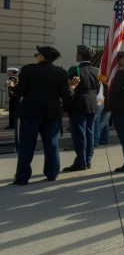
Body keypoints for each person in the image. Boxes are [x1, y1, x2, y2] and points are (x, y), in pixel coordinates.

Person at [9, 46, 78, 185]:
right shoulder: (60, 72)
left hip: (30, 112)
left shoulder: (28, 69)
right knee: (52, 144)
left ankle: (22, 177)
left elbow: (19, 91)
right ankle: (52, 174)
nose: (36, 56)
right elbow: (66, 95)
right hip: (52, 112)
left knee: (26, 145)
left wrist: (10, 86)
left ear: (42, 56)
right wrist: (72, 87)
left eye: (37, 54)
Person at [63, 45, 100, 172]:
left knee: (79, 134)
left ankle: (80, 161)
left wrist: (65, 107)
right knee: (90, 132)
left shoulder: (75, 69)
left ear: (80, 55)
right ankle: (88, 160)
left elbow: (68, 89)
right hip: (92, 103)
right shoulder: (97, 70)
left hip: (78, 103)